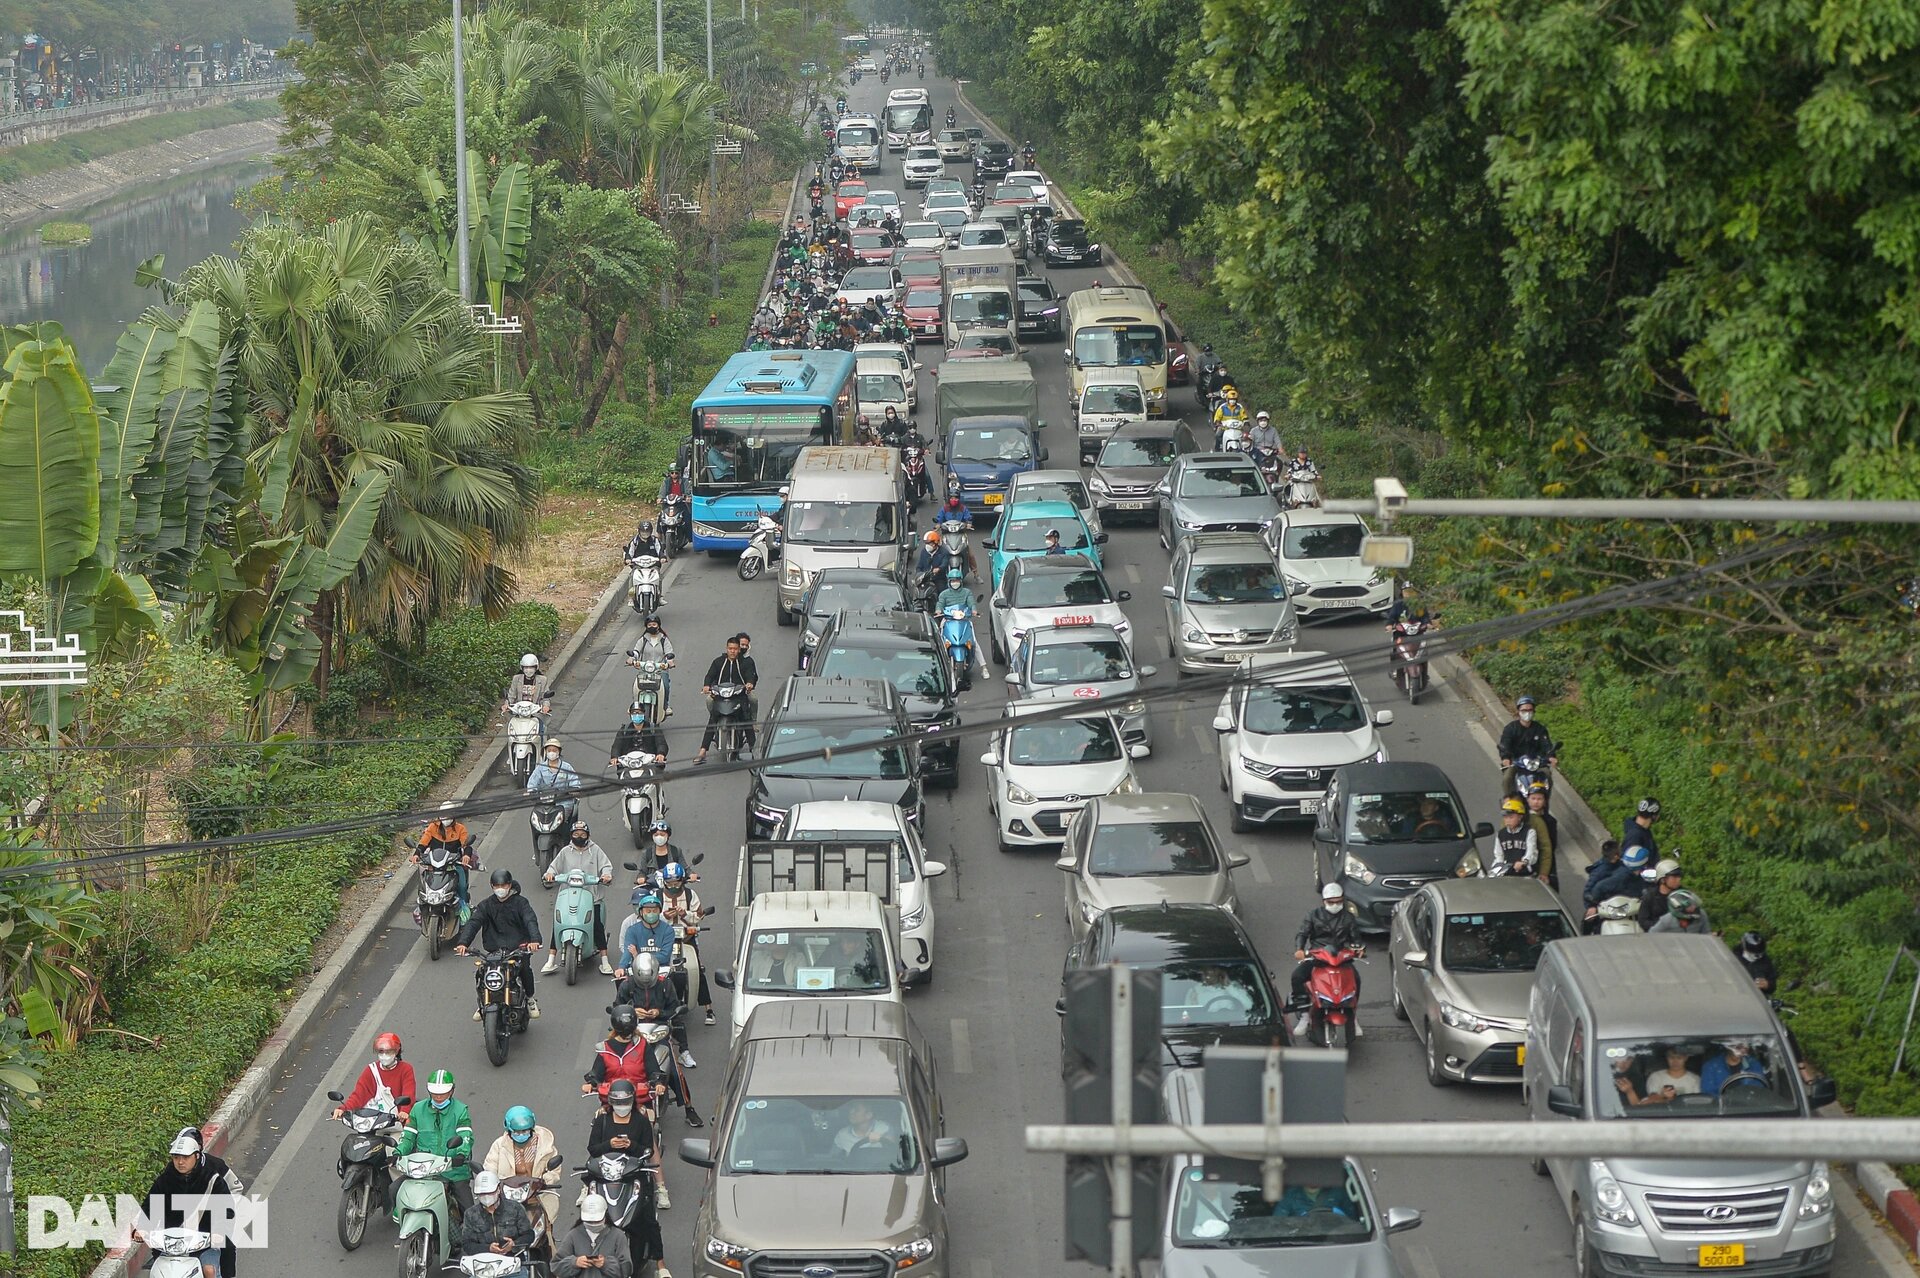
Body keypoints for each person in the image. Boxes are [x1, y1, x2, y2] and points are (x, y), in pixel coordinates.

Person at [130, 1127, 244, 1278]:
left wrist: (219, 1231)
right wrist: (142, 1228)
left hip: (203, 1243)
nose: (180, 1162)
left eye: (185, 1157)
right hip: (171, 1243)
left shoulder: (212, 1179)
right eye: (176, 1157)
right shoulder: (165, 1180)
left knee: (209, 1270)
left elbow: (226, 1209)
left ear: (196, 1155)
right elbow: (151, 1206)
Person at [455, 868, 543, 1018]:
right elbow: (474, 923)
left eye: (504, 885)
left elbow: (530, 920)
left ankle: (530, 998)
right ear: (492, 886)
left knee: (524, 969)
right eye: (497, 886)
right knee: (482, 972)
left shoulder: (521, 903)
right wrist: (463, 943)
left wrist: (534, 940)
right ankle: (483, 1002)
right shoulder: (486, 905)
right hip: (494, 950)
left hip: (518, 948)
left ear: (510, 885)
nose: (500, 889)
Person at [393, 1070, 475, 1221]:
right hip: (424, 1169)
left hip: (453, 1169)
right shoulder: (417, 1109)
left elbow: (466, 1137)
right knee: (394, 1190)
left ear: (451, 1091)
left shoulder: (461, 1110)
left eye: (442, 1094)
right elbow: (408, 1137)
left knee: (470, 1213)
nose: (438, 1097)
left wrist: (461, 1154)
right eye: (435, 1093)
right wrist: (398, 1152)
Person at [543, 821, 617, 976]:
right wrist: (549, 874)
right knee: (558, 923)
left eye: (582, 834)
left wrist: (606, 875)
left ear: (588, 835)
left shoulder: (595, 850)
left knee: (597, 925)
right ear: (571, 835)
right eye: (576, 834)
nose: (579, 837)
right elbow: (553, 867)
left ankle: (604, 961)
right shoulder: (565, 851)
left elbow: (606, 866)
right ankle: (550, 960)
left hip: (592, 896)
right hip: (568, 896)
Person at [482, 1106, 562, 1248]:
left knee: (546, 1234)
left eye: (525, 1131)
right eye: (517, 1132)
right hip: (509, 1199)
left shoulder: (545, 1145)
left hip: (537, 1196)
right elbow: (490, 1167)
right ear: (509, 1130)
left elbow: (555, 1170)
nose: (521, 1135)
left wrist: (545, 1181)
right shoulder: (499, 1146)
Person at [1290, 883, 1363, 1039]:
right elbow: (1302, 933)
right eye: (1331, 902)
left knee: (1356, 980)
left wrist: (1359, 949)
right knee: (1297, 976)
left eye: (1338, 901)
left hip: (1340, 958)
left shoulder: (1348, 918)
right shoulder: (1313, 915)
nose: (1335, 905)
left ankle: (1353, 1015)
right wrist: (1299, 949)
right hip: (1318, 957)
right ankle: (1304, 1014)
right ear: (1324, 901)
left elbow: (1356, 939)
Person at [659, 861, 715, 1027]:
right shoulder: (657, 895)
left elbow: (698, 916)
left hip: (686, 938)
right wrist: (665, 916)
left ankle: (708, 1009)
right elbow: (652, 917)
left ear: (682, 881)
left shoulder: (691, 895)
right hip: (664, 940)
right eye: (670, 883)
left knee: (697, 969)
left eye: (676, 883)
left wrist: (685, 914)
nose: (673, 886)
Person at [695, 636, 758, 764]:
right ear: (726, 649)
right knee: (712, 720)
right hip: (721, 696)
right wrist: (706, 686)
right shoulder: (718, 662)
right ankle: (702, 751)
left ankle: (755, 751)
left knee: (746, 720)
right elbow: (709, 675)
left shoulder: (745, 663)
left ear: (739, 650)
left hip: (739, 696)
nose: (732, 651)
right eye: (730, 648)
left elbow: (750, 676)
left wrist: (749, 684)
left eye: (735, 649)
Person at [413, 801, 478, 920]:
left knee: (462, 886)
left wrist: (466, 855)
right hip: (435, 865)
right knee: (423, 885)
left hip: (453, 865)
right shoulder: (432, 827)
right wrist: (416, 854)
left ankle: (465, 908)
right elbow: (423, 843)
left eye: (448, 814)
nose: (445, 818)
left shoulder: (460, 829)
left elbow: (466, 845)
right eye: (443, 814)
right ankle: (422, 908)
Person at [331, 1031, 414, 1120]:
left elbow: (409, 1093)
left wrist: (404, 1111)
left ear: (396, 1051)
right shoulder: (371, 1070)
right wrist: (343, 1109)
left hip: (398, 1119)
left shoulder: (406, 1069)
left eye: (388, 1051)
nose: (384, 1055)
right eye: (381, 1051)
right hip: (374, 1120)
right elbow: (359, 1095)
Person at [459, 1168, 534, 1260]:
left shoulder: (515, 1208)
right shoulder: (470, 1214)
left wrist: (514, 1244)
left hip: (513, 1259)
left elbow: (529, 1235)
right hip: (484, 1262)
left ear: (498, 1189)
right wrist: (488, 1248)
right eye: (482, 1194)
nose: (486, 1197)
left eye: (490, 1193)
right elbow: (467, 1244)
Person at [554, 1193, 634, 1277]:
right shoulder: (573, 1235)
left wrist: (606, 1264)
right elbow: (556, 1266)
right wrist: (574, 1263)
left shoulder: (618, 1236)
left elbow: (626, 1269)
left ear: (605, 1215)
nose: (593, 1224)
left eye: (597, 1221)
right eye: (589, 1222)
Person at [1496, 694, 1557, 799]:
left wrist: (1551, 756)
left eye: (1530, 710)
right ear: (1518, 711)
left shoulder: (1540, 729)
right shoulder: (1510, 729)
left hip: (1536, 764)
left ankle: (1544, 802)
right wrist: (1506, 758)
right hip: (1516, 763)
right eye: (1524, 710)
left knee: (1547, 776)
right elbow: (1505, 744)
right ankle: (1509, 800)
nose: (1527, 713)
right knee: (1507, 778)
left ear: (1533, 711)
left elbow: (1546, 744)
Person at [619, 892, 677, 978]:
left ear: (659, 912)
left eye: (655, 911)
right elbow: (628, 952)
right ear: (641, 912)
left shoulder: (668, 930)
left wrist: (638, 956)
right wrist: (621, 967)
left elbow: (665, 956)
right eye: (648, 911)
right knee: (623, 984)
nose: (651, 914)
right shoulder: (632, 930)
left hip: (661, 971)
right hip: (638, 970)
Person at [628, 615, 676, 714]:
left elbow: (669, 653)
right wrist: (632, 658)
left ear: (658, 625)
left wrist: (669, 661)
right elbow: (636, 651)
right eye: (649, 625)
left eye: (654, 624)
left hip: (660, 670)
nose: (652, 627)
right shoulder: (643, 639)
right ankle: (635, 705)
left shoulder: (663, 639)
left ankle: (665, 706)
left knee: (665, 686)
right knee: (636, 687)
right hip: (644, 670)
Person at [504, 652, 555, 735]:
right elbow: (511, 695)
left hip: (536, 713)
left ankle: (543, 741)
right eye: (526, 667)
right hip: (519, 712)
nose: (528, 670)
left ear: (536, 668)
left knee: (542, 730)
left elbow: (545, 697)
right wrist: (506, 705)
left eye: (531, 667)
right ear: (522, 668)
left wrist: (545, 706)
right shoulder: (516, 679)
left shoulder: (542, 680)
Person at [1490, 798, 1540, 878]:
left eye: (1511, 817)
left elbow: (1531, 851)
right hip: (1508, 871)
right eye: (1505, 817)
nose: (1508, 820)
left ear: (1520, 817)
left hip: (1526, 872)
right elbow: (1499, 855)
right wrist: (1496, 868)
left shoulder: (1529, 832)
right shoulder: (1500, 834)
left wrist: (1524, 862)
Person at [610, 702, 668, 767]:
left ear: (644, 713)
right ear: (630, 714)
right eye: (634, 713)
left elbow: (661, 743)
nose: (637, 715)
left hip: (649, 764)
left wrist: (660, 754)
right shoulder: (624, 730)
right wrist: (614, 757)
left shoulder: (653, 728)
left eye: (639, 713)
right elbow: (617, 746)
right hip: (628, 764)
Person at [1526, 783, 1560, 889]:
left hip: (1544, 859)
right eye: (1533, 798)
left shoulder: (1550, 821)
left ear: (1545, 801)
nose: (1536, 802)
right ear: (1527, 800)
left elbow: (1552, 845)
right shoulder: (1523, 819)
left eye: (1539, 799)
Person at [1636, 859, 1684, 932]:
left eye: (1679, 876)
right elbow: (1643, 921)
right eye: (1674, 877)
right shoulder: (1650, 896)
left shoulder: (1682, 894)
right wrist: (1660, 926)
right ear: (1663, 880)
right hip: (1656, 935)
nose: (1678, 879)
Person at [1273, 1180, 1360, 1219]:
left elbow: (1353, 1221)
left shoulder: (1338, 1192)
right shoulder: (1290, 1195)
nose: (1312, 1178)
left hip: (1335, 1241)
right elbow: (1277, 1224)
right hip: (1299, 1243)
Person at [1622, 797, 1662, 861]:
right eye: (1658, 814)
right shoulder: (1635, 836)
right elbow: (1629, 861)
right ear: (1654, 816)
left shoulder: (1644, 830)